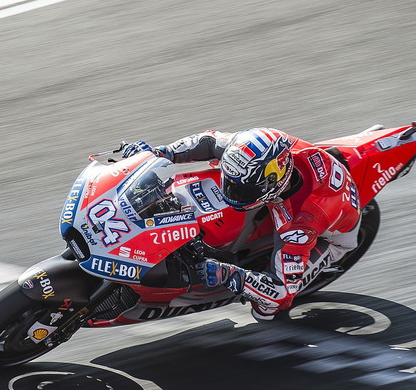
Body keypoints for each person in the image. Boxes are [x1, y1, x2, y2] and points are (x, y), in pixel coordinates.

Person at [122, 128, 361, 320]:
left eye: (240, 189)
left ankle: (241, 269)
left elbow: (280, 294)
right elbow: (208, 141)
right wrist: (158, 153)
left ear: (272, 184)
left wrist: (229, 275)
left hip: (331, 234)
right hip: (313, 181)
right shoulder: (258, 145)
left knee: (265, 311)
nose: (231, 191)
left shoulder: (300, 225)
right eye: (231, 183)